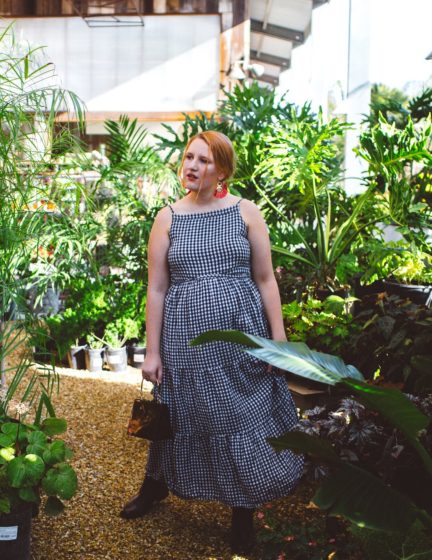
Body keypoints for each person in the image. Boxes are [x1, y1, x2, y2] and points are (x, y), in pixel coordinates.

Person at [120, 131, 303, 555]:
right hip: (184, 341)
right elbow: (157, 289)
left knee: (238, 416)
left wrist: (279, 341)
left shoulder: (246, 212)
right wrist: (153, 351)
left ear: (221, 169)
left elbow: (265, 279)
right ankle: (156, 485)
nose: (192, 165)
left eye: (203, 160)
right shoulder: (167, 217)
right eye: (188, 157)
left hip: (240, 338)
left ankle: (242, 508)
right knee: (180, 413)